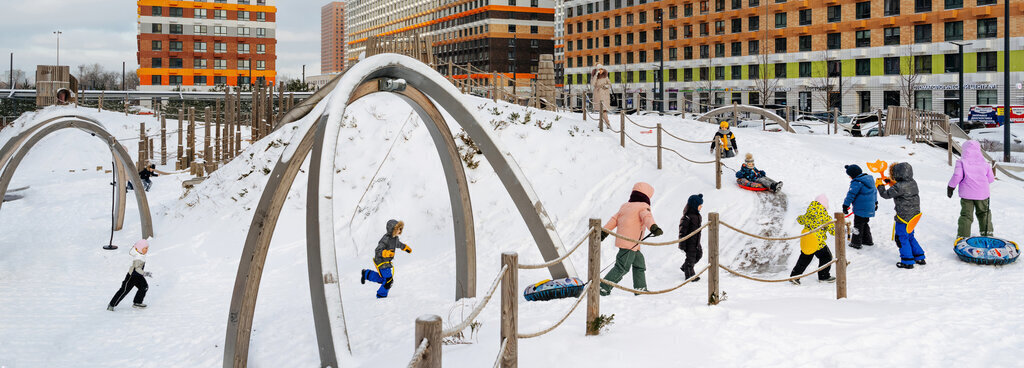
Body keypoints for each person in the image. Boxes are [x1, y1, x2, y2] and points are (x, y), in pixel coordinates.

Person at [599, 182, 665, 296]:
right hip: (631, 245)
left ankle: (640, 288)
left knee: (639, 264)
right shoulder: (643, 207)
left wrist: (604, 232)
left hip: (632, 245)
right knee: (621, 268)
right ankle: (603, 287)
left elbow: (614, 220)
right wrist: (653, 228)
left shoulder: (625, 206)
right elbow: (647, 217)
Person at [878, 162, 926, 269]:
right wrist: (890, 182)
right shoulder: (912, 182)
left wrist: (880, 186)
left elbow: (886, 195)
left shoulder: (899, 186)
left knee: (901, 238)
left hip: (903, 217)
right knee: (910, 236)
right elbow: (900, 189)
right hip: (913, 216)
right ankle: (919, 256)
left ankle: (907, 261)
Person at [948, 140, 995, 238]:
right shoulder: (985, 164)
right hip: (982, 194)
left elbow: (957, 175)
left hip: (967, 194)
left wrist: (951, 187)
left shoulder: (961, 162)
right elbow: (991, 179)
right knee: (984, 214)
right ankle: (988, 235)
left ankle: (962, 236)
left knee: (966, 215)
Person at [790, 194, 836, 284]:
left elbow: (800, 220)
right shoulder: (825, 217)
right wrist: (841, 229)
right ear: (825, 206)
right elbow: (833, 231)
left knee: (804, 258)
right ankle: (824, 276)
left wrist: (800, 218)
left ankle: (795, 276)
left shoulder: (808, 214)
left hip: (807, 239)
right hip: (817, 242)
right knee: (826, 257)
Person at [361, 220, 412, 298]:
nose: (400, 230)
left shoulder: (395, 238)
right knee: (389, 281)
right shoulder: (385, 239)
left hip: (386, 261)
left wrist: (405, 247)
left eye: (401, 229)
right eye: (398, 229)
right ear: (392, 229)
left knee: (383, 279)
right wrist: (385, 253)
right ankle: (381, 295)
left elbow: (398, 244)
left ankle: (366, 274)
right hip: (381, 261)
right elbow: (377, 250)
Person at [108, 239, 151, 311]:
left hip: (138, 276)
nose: (146, 250)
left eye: (147, 248)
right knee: (124, 290)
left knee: (144, 287)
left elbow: (134, 249)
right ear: (140, 249)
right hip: (132, 276)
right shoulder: (138, 257)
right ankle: (111, 305)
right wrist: (145, 273)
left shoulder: (140, 253)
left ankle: (137, 302)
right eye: (145, 248)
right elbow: (137, 269)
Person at [842, 164, 878, 249]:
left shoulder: (857, 182)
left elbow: (851, 194)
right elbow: (875, 192)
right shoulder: (870, 180)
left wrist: (845, 205)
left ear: (853, 175)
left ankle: (856, 243)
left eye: (850, 176)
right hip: (869, 207)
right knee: (865, 223)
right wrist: (875, 203)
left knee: (858, 224)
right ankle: (867, 240)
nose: (850, 178)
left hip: (861, 208)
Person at [678, 194, 704, 281]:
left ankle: (685, 266)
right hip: (689, 243)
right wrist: (682, 245)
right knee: (691, 259)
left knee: (699, 255)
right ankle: (690, 276)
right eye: (699, 205)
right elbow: (682, 232)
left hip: (696, 241)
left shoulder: (697, 216)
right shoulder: (687, 217)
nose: (701, 207)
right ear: (694, 205)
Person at [591, 64, 612, 129]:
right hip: (598, 95)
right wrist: (596, 75)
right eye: (599, 69)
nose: (601, 71)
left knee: (603, 110)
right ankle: (605, 124)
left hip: (605, 95)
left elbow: (610, 84)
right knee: (601, 110)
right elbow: (592, 84)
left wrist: (606, 86)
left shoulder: (605, 76)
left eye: (601, 69)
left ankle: (606, 124)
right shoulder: (594, 76)